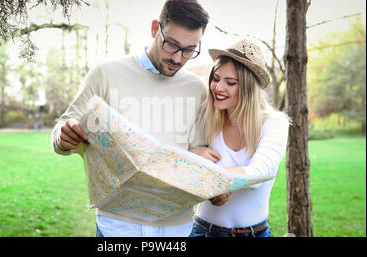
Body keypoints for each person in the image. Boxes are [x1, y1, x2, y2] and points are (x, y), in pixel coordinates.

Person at [51, 0, 209, 237]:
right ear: (156, 29)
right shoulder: (106, 74)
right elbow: (63, 128)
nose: (178, 58)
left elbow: (199, 152)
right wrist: (63, 137)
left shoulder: (197, 89)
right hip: (119, 224)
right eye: (172, 45)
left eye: (189, 50)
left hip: (178, 225)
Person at [189, 39, 291, 237]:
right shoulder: (206, 118)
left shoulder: (274, 123)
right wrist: (192, 155)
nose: (218, 88)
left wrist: (215, 179)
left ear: (248, 87)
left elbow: (259, 174)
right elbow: (175, 162)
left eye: (230, 83)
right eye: (216, 78)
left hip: (254, 233)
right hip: (203, 231)